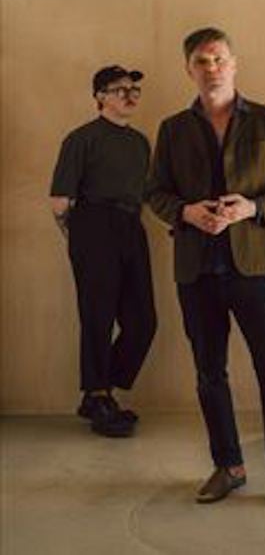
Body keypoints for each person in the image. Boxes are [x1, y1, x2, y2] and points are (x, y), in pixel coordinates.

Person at [148, 27, 265, 511]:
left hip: (252, 265)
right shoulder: (172, 129)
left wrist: (252, 208)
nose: (212, 68)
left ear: (234, 63)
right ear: (189, 69)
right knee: (210, 373)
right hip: (196, 268)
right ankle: (228, 466)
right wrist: (185, 212)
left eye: (219, 59)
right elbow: (155, 193)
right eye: (202, 61)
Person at [50, 65, 156, 438]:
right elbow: (60, 200)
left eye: (133, 89)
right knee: (98, 315)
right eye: (119, 89)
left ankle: (99, 391)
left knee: (143, 321)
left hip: (131, 225)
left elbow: (146, 193)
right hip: (93, 224)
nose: (129, 95)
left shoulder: (141, 142)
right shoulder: (81, 139)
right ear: (99, 97)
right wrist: (81, 239)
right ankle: (98, 396)